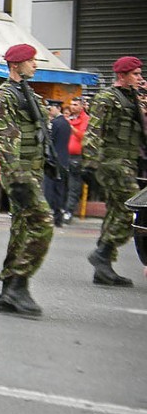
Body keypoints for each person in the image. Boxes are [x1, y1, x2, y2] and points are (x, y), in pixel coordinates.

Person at [0, 43, 54, 317]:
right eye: (31, 61)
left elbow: (39, 133)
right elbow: (7, 143)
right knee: (43, 224)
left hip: (34, 170)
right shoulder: (4, 97)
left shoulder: (30, 94)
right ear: (16, 65)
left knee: (22, 231)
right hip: (20, 175)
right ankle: (18, 283)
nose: (35, 65)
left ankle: (8, 291)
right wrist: (18, 181)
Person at [83, 56, 145, 287]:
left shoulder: (132, 98)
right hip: (113, 164)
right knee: (132, 210)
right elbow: (93, 130)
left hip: (127, 162)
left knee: (113, 214)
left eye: (140, 74)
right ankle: (102, 252)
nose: (140, 78)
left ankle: (104, 267)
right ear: (122, 75)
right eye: (135, 74)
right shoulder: (107, 98)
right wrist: (89, 163)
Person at [43, 99, 70, 227]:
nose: (50, 111)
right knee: (59, 190)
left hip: (54, 160)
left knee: (50, 189)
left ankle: (52, 215)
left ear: (58, 108)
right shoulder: (65, 123)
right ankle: (58, 216)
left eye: (51, 108)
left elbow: (49, 140)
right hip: (63, 159)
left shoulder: (55, 123)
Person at [63, 97, 89, 224]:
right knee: (64, 183)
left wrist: (70, 127)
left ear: (81, 106)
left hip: (77, 157)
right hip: (66, 155)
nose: (72, 107)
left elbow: (82, 136)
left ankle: (69, 211)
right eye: (71, 104)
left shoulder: (85, 119)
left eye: (75, 104)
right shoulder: (70, 119)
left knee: (74, 185)